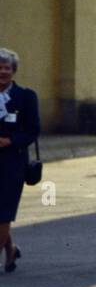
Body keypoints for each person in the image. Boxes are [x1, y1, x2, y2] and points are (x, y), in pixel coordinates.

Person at [0, 47, 39, 273]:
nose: (3, 72)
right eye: (0, 68)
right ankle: (11, 249)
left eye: (7, 68)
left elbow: (33, 130)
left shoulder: (25, 96)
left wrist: (11, 141)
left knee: (4, 211)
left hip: (13, 163)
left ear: (13, 71)